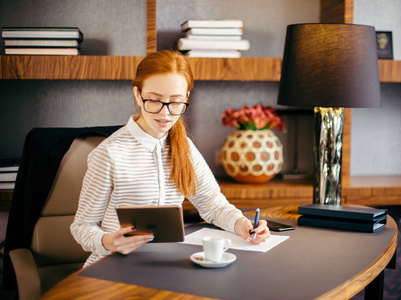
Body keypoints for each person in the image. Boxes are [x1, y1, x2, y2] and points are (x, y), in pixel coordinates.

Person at [71, 50, 270, 266]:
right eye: (155, 100)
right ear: (138, 95)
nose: (165, 113)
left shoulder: (183, 146)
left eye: (175, 102)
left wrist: (242, 225)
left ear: (186, 98)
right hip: (111, 265)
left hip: (166, 265)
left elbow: (212, 205)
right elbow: (82, 226)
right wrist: (109, 241)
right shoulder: (109, 154)